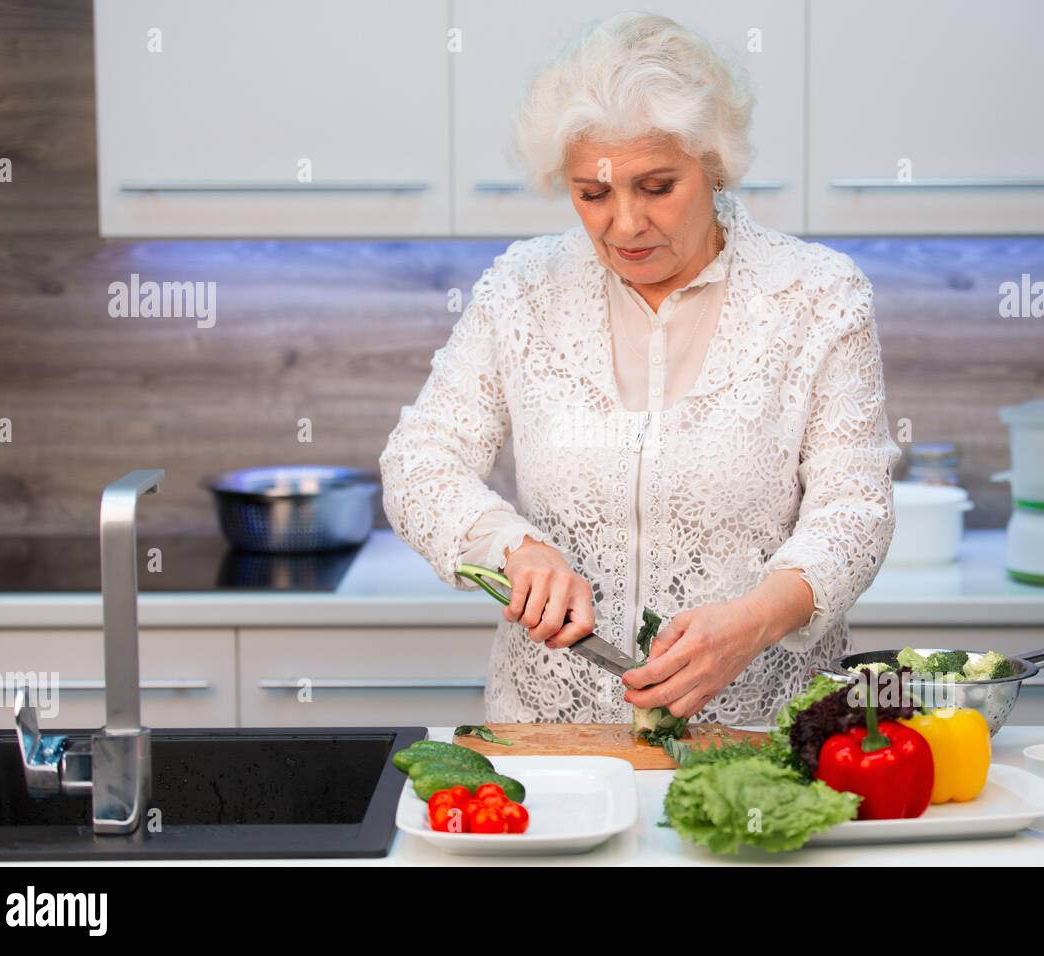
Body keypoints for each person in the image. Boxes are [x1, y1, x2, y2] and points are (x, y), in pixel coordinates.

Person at [380, 12, 900, 725]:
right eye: (593, 195)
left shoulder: (817, 296)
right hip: (549, 737)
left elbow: (855, 511)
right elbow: (419, 462)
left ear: (712, 167)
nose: (624, 224)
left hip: (757, 735)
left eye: (656, 187)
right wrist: (515, 550)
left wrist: (754, 621)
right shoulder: (523, 289)